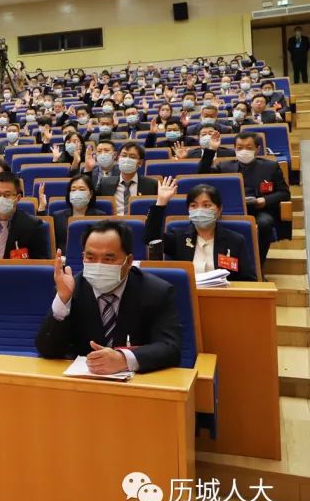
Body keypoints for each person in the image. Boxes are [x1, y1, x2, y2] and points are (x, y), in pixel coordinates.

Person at [35, 221, 181, 374]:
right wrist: (63, 301)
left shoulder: (157, 292)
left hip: (138, 382)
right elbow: (47, 350)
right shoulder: (72, 288)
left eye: (108, 259)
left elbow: (170, 348)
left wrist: (125, 359)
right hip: (85, 381)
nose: (99, 266)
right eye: (91, 257)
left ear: (129, 261)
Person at [196, 131, 289, 268]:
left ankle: (257, 266)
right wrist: (211, 150)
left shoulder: (270, 167)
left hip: (258, 210)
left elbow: (284, 193)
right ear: (234, 148)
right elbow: (201, 176)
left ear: (257, 149)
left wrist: (263, 200)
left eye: (249, 147)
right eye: (239, 148)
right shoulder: (224, 166)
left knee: (265, 223)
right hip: (229, 210)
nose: (244, 151)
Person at [146, 178, 257, 282]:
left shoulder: (235, 241)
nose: (200, 210)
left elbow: (249, 280)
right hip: (188, 294)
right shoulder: (178, 238)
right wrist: (160, 203)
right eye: (193, 205)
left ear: (219, 210)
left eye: (207, 205)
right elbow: (150, 238)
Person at [41, 174, 108, 253]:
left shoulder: (101, 217)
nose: (77, 193)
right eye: (73, 190)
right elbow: (46, 240)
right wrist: (42, 208)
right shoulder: (57, 216)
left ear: (90, 194)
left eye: (82, 189)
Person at [96, 142, 158, 215]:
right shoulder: (104, 182)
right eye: (124, 155)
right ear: (118, 159)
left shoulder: (152, 184)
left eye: (132, 157)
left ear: (140, 162)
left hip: (138, 220)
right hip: (112, 221)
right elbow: (91, 200)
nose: (127, 159)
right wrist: (88, 170)